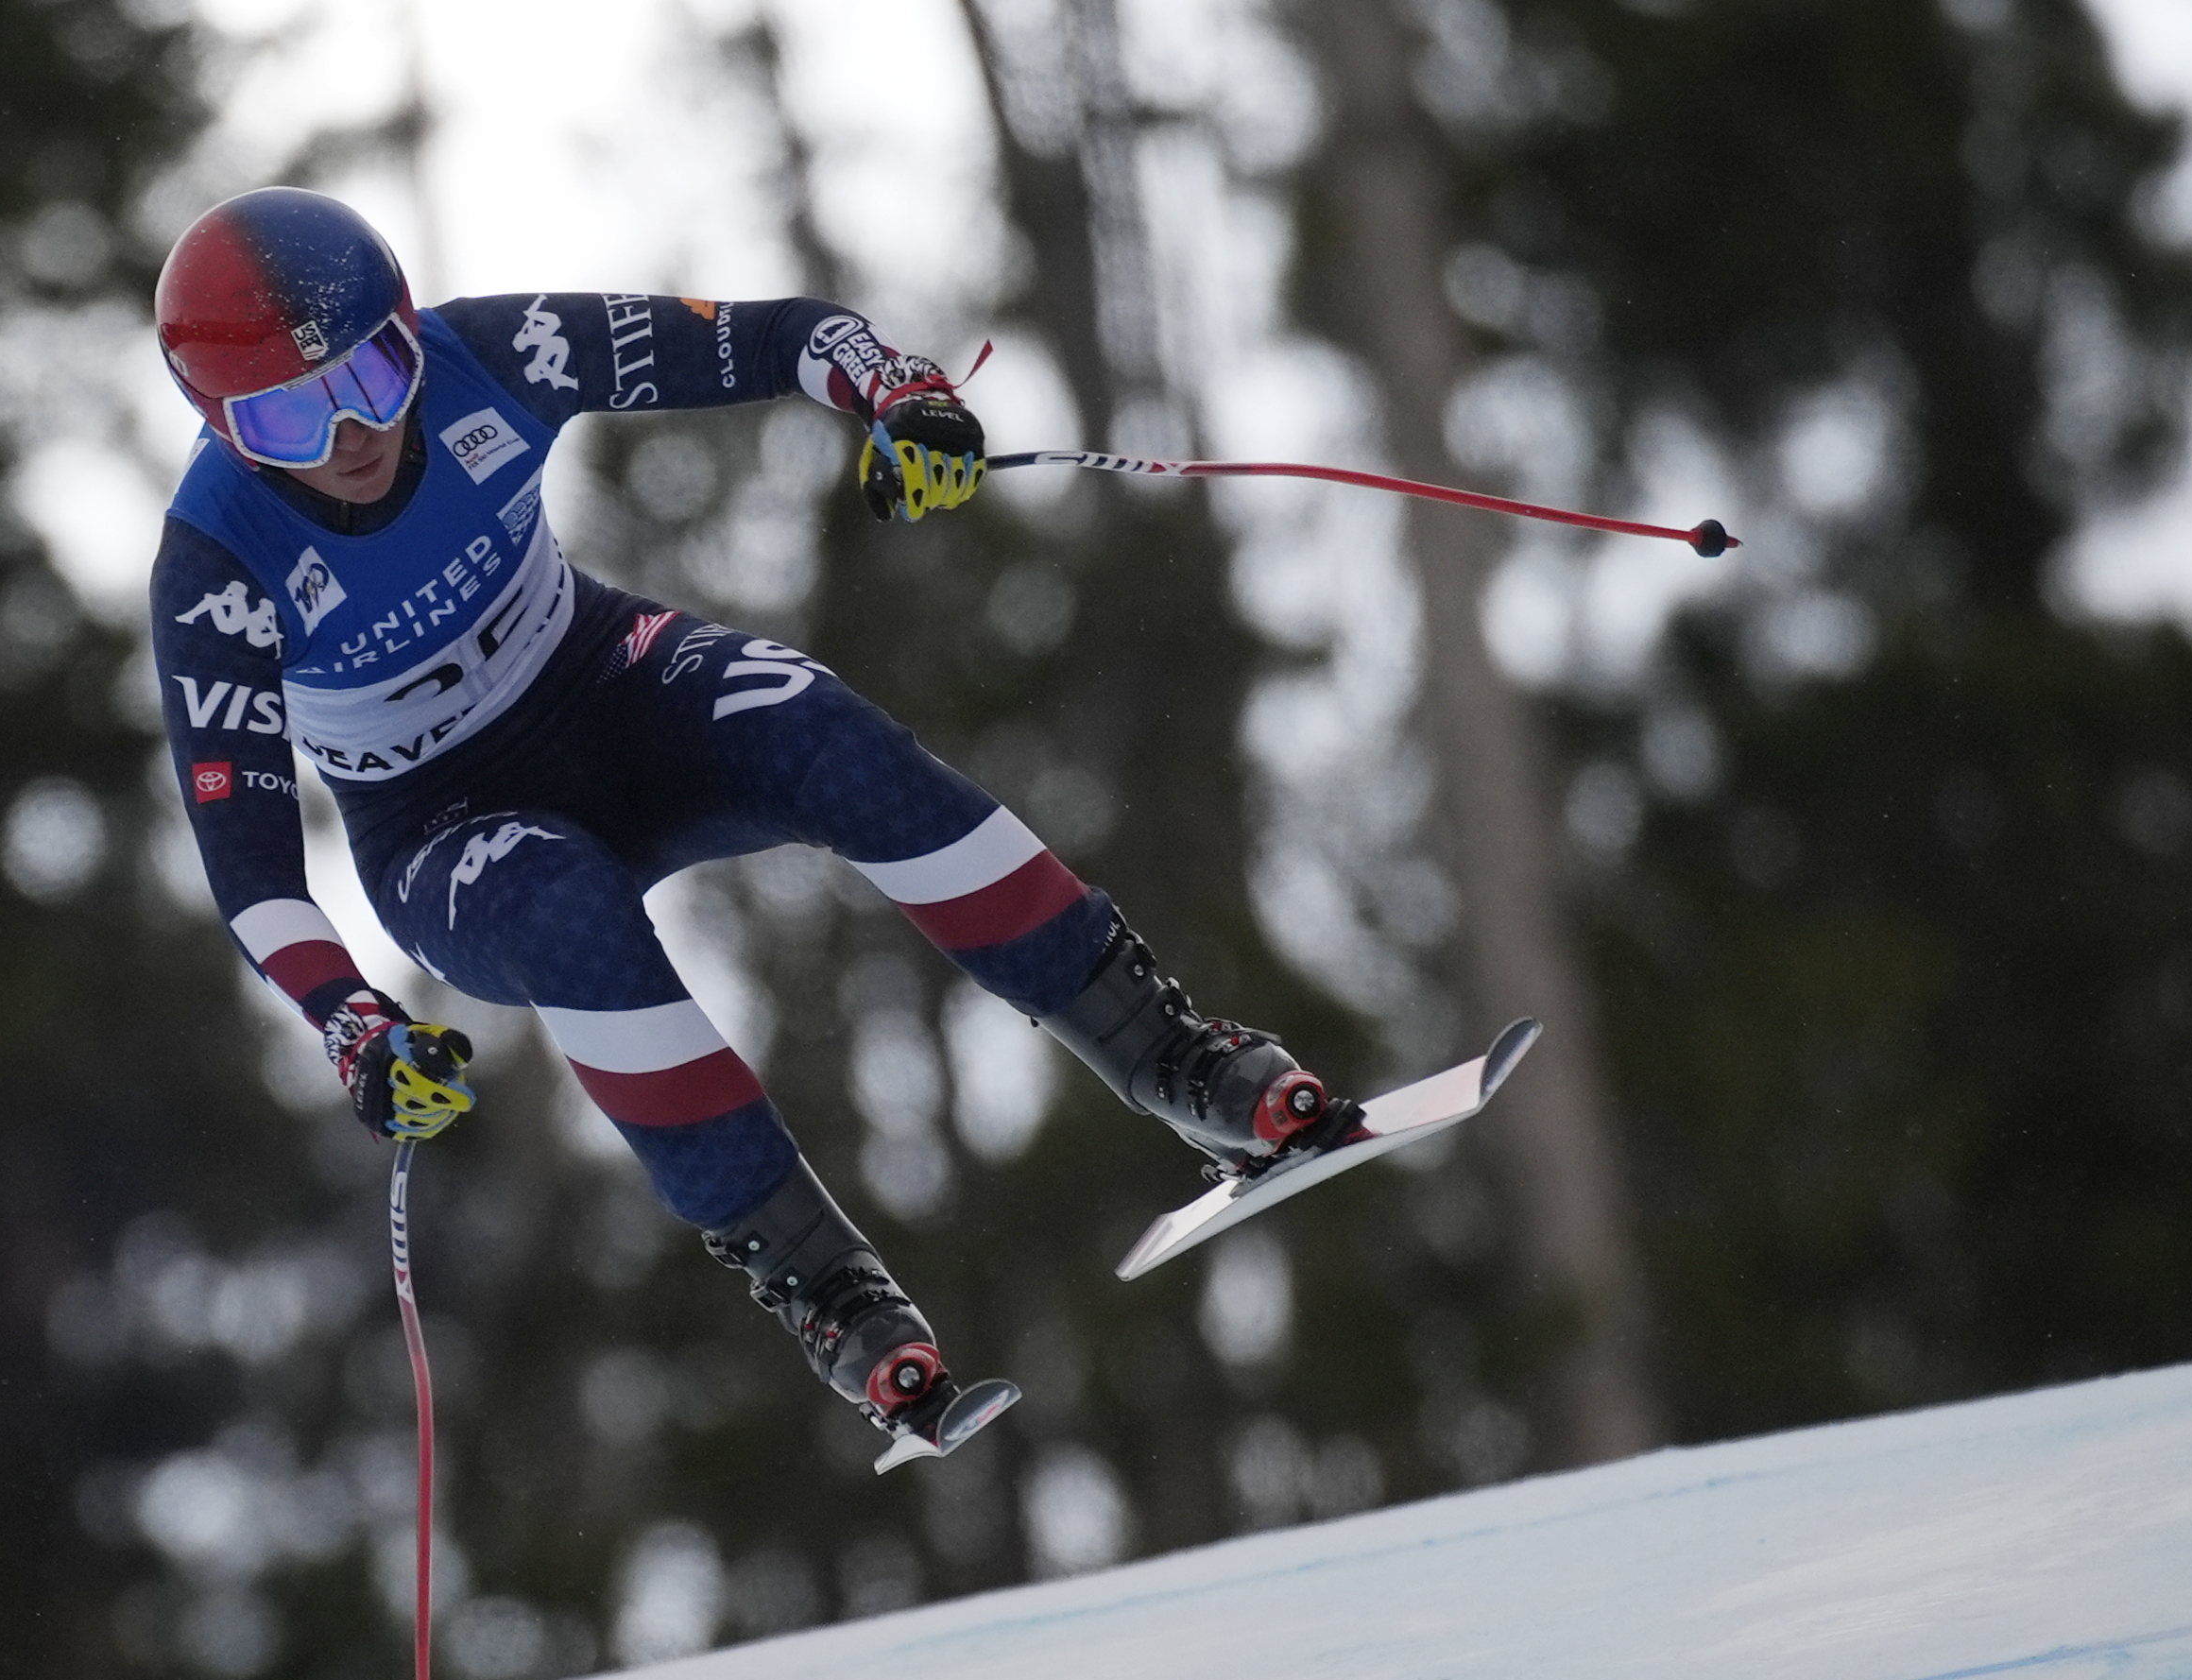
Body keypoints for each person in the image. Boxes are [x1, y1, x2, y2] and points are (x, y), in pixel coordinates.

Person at [147, 188, 1357, 1465]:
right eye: (290, 415)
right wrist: (355, 1025)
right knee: (565, 908)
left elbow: (781, 336)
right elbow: (254, 872)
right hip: (442, 823)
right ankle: (828, 1293)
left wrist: (902, 397)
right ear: (226, 429)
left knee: (816, 732)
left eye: (378, 373)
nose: (353, 431)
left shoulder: (489, 356)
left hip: (605, 685)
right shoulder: (216, 564)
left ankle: (1180, 1064)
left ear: (409, 334)